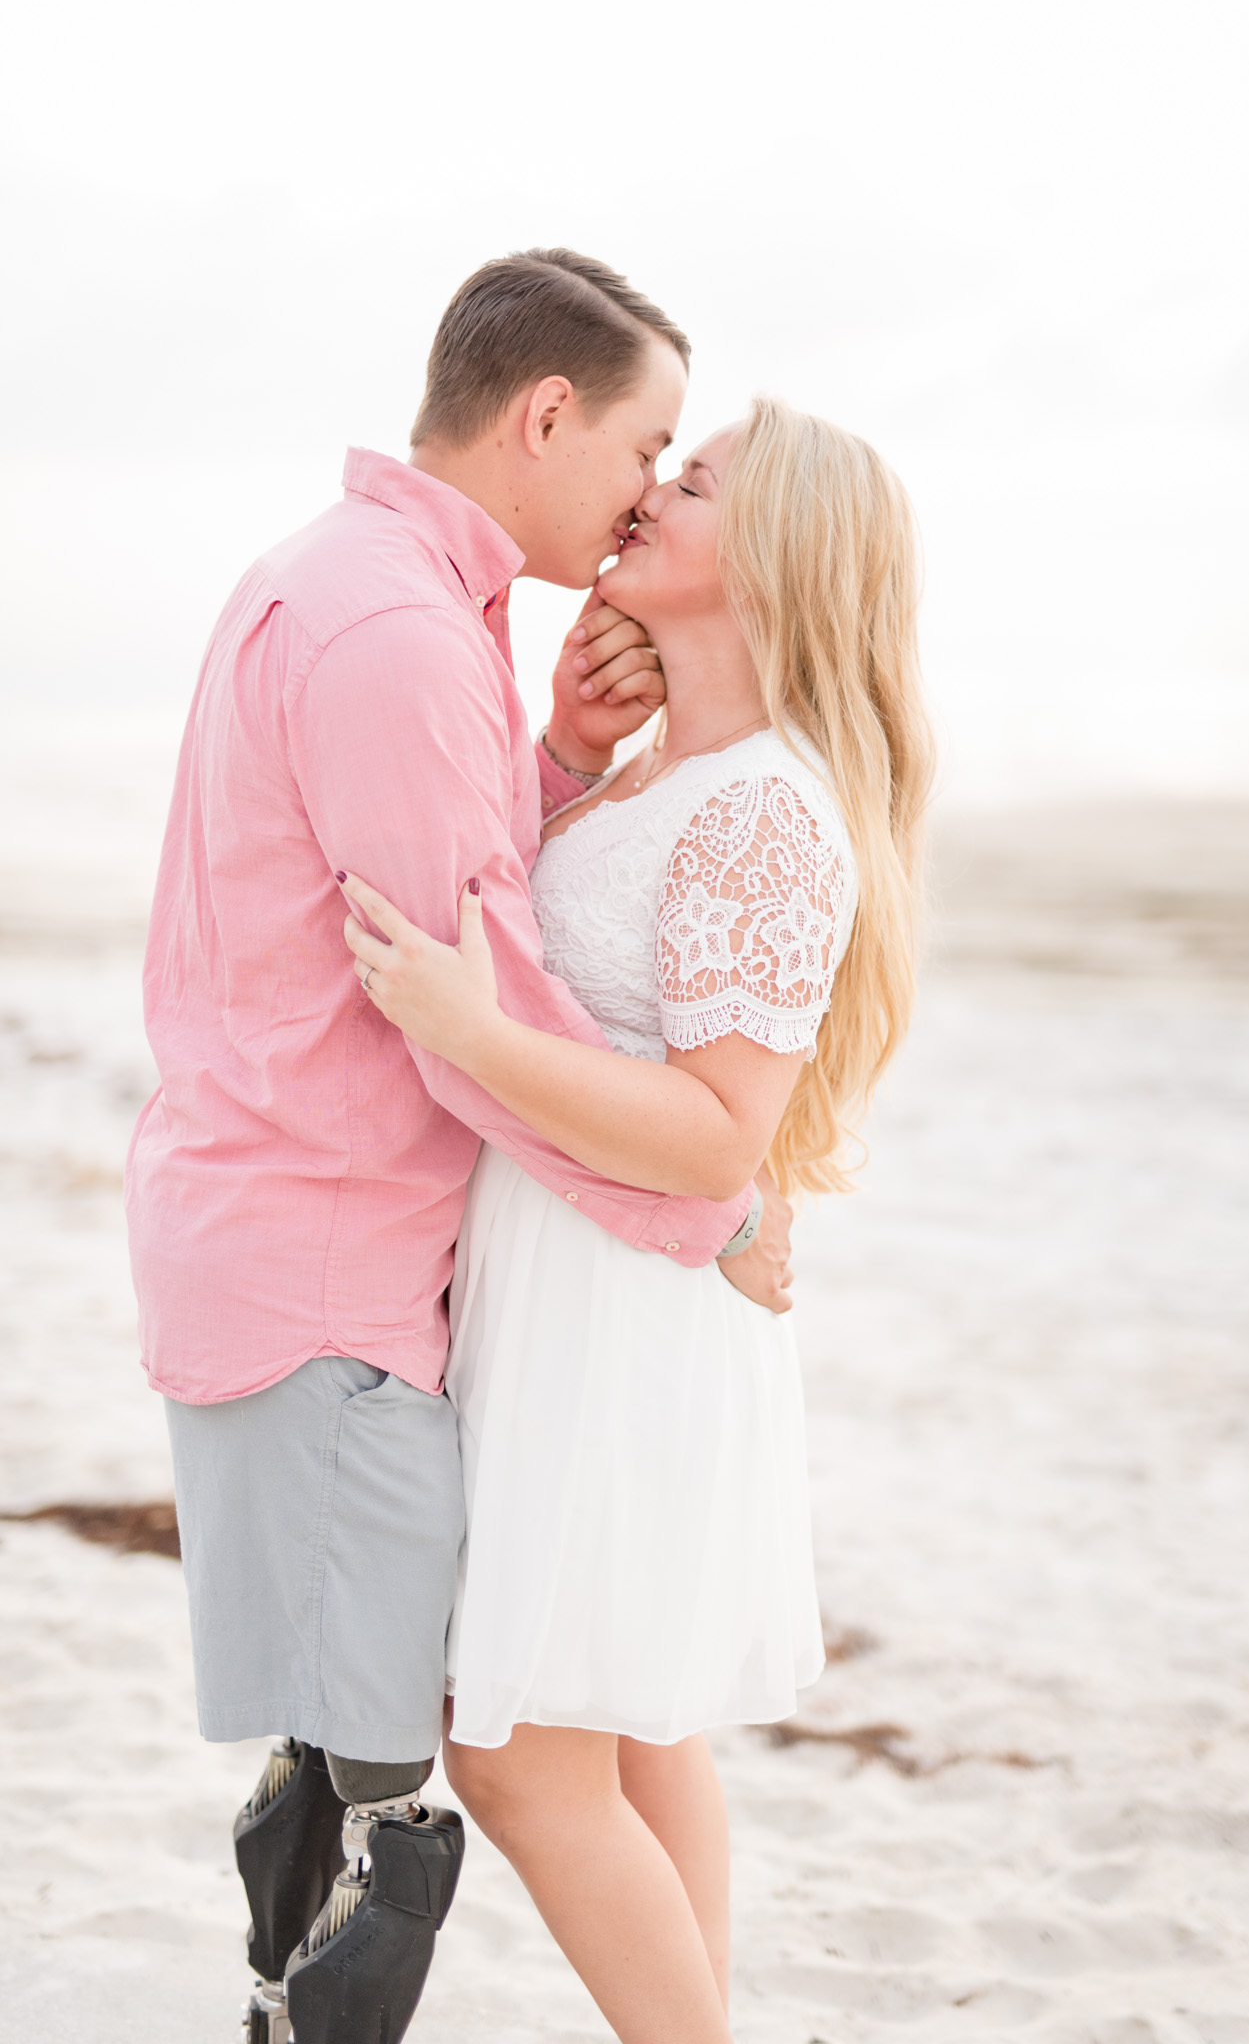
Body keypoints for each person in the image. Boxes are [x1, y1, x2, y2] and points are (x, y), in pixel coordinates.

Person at [125, 249, 794, 2044]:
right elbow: (477, 1040)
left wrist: (561, 762)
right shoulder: (400, 633)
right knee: (381, 1794)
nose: (651, 487)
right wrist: (712, 1204)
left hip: (312, 1244)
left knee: (387, 1763)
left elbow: (467, 926)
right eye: (645, 443)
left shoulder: (361, 589)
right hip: (327, 1260)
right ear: (547, 414)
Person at [338, 395, 936, 2044]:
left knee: (523, 1754)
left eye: (697, 478)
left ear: (784, 554)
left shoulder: (764, 810)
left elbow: (713, 1136)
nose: (653, 490)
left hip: (625, 1329)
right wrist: (567, 752)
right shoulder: (681, 776)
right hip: (583, 1303)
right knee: (643, 1731)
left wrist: (475, 1036)